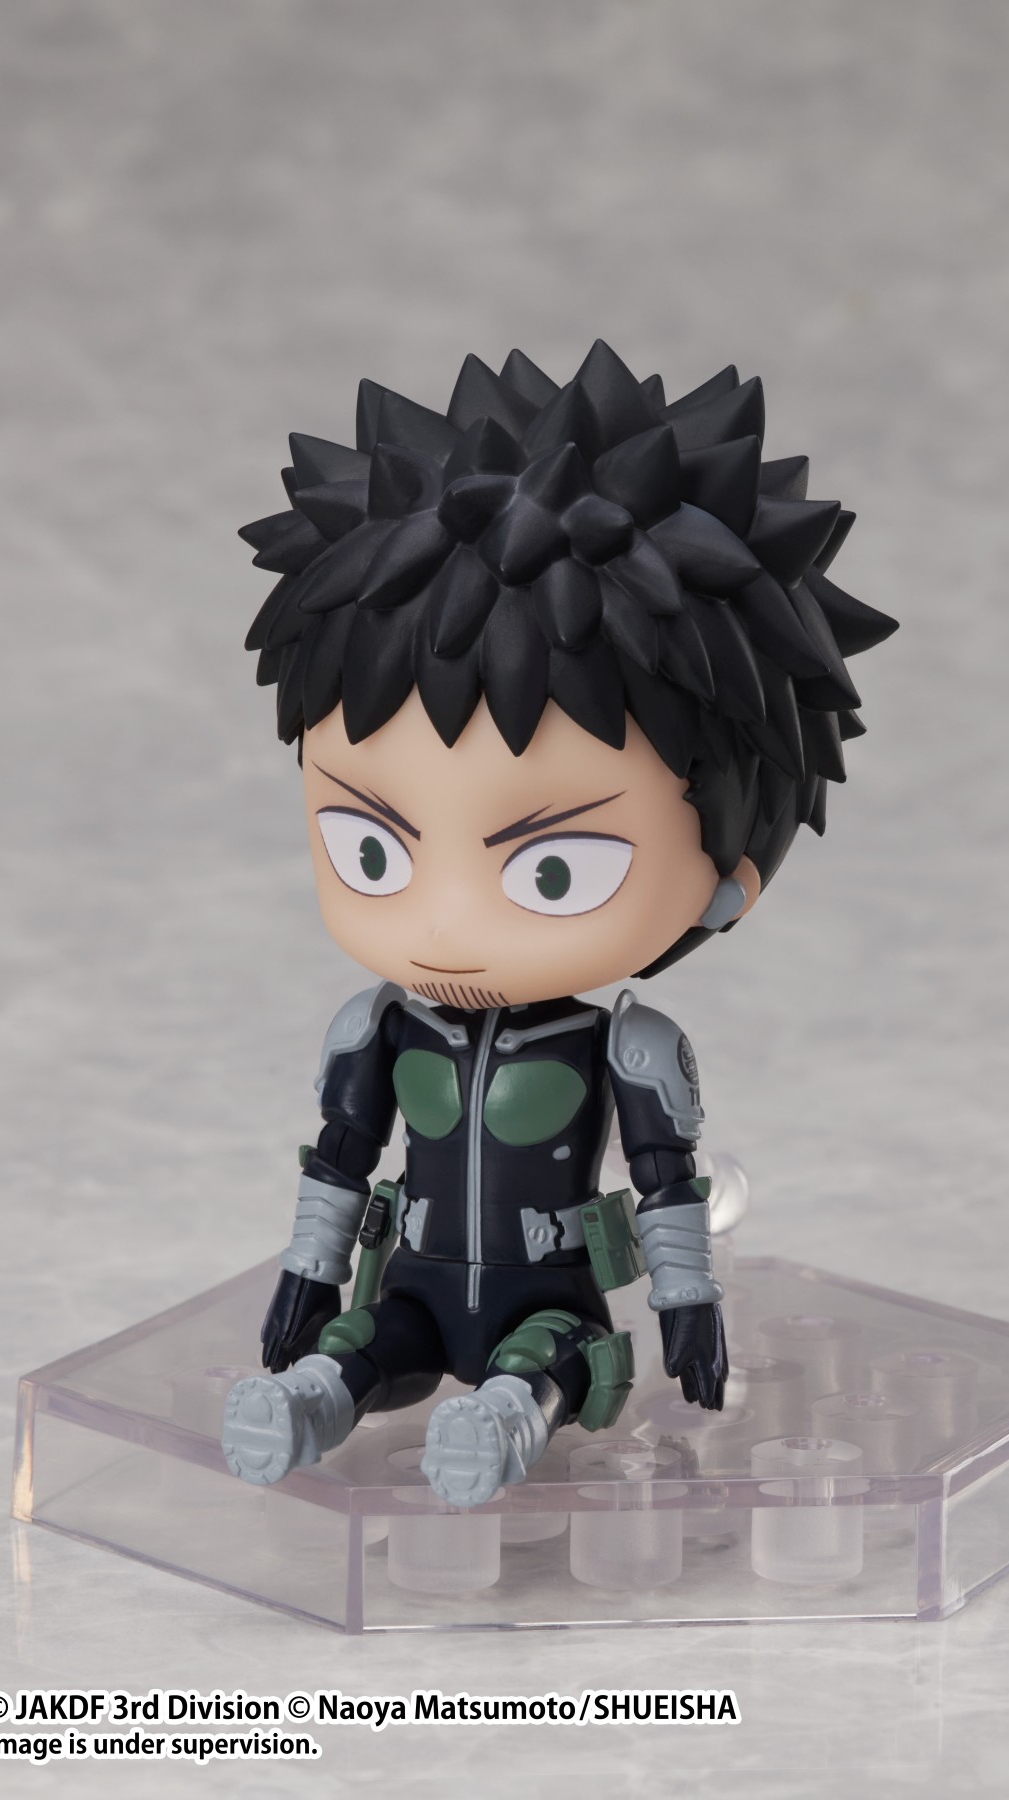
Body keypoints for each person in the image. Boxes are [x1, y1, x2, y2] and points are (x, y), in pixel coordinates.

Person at [220, 340, 896, 1507]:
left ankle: (508, 1418)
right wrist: (309, 1278)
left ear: (733, 874)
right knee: (367, 1348)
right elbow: (339, 1158)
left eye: (552, 871)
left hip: (548, 1298)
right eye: (372, 850)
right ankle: (318, 1398)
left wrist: (686, 1306)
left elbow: (668, 1184)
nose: (445, 926)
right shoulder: (379, 1028)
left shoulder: (627, 1047)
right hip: (413, 1283)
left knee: (553, 1359)